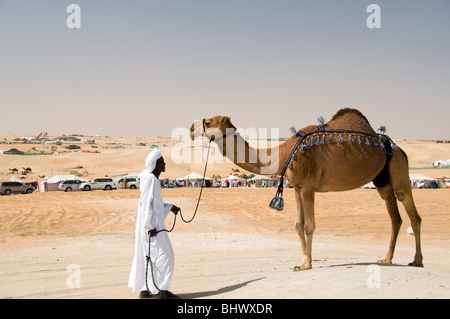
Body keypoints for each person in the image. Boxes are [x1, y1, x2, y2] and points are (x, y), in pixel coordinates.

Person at [128, 148, 180, 299]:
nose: (164, 164)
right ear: (155, 164)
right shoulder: (151, 179)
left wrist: (170, 207)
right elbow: (146, 205)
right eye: (161, 161)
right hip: (152, 227)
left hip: (150, 225)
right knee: (166, 256)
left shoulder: (150, 178)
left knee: (147, 256)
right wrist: (150, 226)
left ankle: (144, 291)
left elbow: (154, 205)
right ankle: (161, 290)